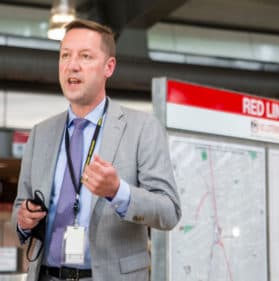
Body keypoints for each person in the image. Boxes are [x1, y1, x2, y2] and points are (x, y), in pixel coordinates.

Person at [11, 19, 181, 281]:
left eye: (85, 56)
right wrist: (23, 220)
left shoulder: (142, 128)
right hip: (46, 275)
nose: (72, 65)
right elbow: (20, 208)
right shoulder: (40, 134)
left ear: (108, 67)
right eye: (65, 55)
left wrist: (118, 192)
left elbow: (169, 212)